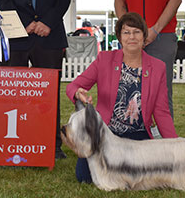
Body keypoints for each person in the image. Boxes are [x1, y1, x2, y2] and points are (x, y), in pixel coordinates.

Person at [66, 12, 178, 183]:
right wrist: (77, 93)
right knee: (85, 177)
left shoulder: (158, 67)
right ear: (119, 37)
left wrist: (175, 146)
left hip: (138, 136)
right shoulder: (104, 59)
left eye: (136, 32)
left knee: (143, 178)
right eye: (126, 32)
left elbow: (162, 112)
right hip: (105, 133)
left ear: (144, 36)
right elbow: (73, 86)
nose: (131, 37)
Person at [0, 0, 72, 159]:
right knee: (12, 93)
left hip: (49, 37)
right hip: (17, 36)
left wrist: (46, 22)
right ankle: (12, 142)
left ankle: (52, 144)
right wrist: (25, 23)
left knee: (49, 93)